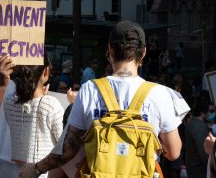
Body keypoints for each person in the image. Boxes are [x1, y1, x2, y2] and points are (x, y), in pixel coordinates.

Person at [20, 20, 182, 178]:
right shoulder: (159, 94)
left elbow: (68, 149)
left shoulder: (90, 89)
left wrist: (36, 169)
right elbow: (173, 152)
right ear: (144, 52)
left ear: (110, 50)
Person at [3, 54, 64, 178]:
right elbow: (64, 145)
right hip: (42, 172)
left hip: (16, 172)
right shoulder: (50, 105)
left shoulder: (8, 102)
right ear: (46, 71)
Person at [184, 97, 211, 178]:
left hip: (192, 168)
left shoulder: (191, 123)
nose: (212, 114)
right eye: (211, 111)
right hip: (200, 171)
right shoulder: (199, 127)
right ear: (203, 111)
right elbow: (204, 153)